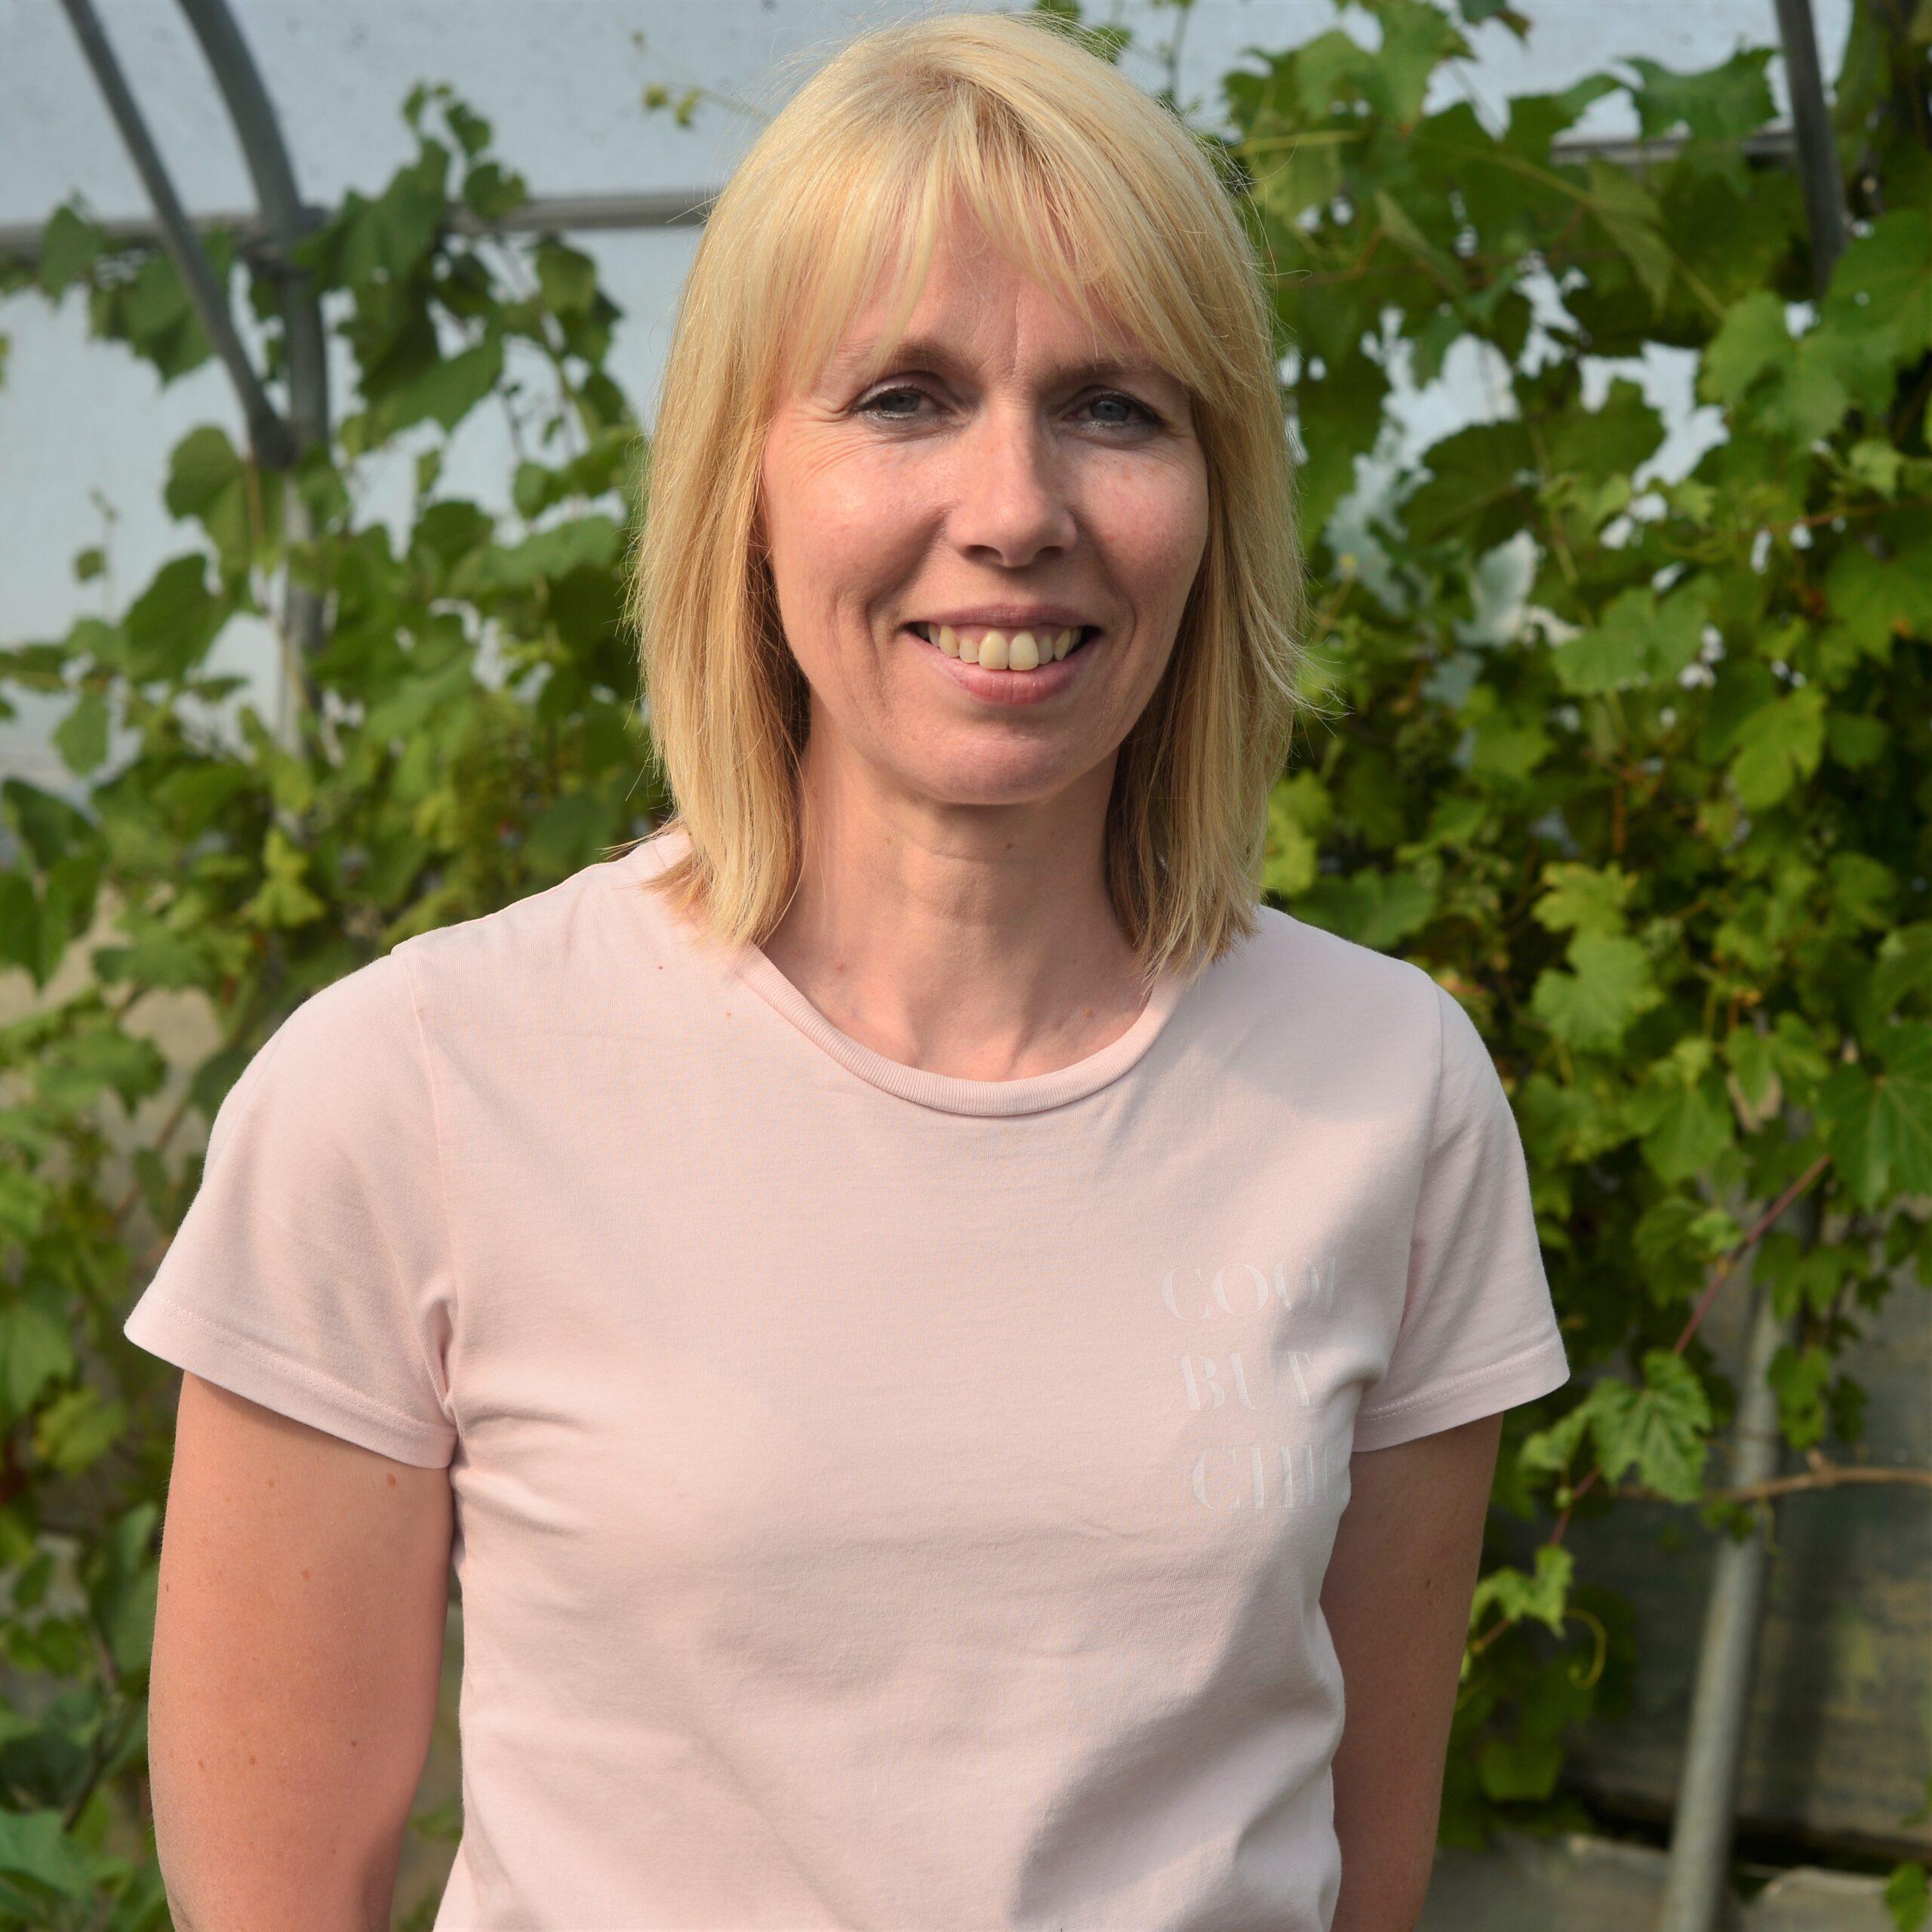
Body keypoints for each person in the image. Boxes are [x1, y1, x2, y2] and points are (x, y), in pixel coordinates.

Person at [122, 11, 1571, 1930]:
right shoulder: (413, 1086)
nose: (1015, 507)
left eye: (1113, 406)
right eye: (902, 396)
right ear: (743, 476)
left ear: (1215, 499)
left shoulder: (1384, 1089)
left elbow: (1354, 1879)